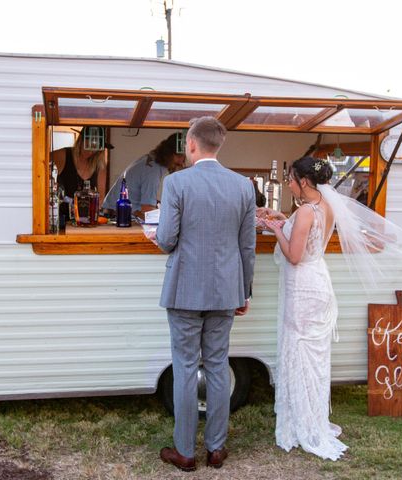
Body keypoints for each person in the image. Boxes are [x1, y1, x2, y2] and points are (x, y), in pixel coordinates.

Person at [261, 156, 402, 461]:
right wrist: (281, 218)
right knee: (313, 358)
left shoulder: (305, 211)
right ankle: (310, 417)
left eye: (291, 178)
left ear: (304, 181)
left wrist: (273, 228)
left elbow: (293, 255)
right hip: (318, 282)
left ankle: (302, 423)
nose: (289, 183)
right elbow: (305, 233)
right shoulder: (325, 206)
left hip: (303, 287)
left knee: (299, 353)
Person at [155, 116, 256, 472]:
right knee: (216, 366)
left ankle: (184, 451)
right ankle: (216, 448)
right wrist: (245, 291)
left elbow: (167, 239)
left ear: (191, 143)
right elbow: (247, 245)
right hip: (225, 291)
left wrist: (154, 236)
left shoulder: (176, 183)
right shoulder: (243, 186)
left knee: (184, 368)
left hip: (184, 290)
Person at [101, 134, 185, 218]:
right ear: (169, 154)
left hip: (113, 211)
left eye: (184, 157)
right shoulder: (152, 171)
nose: (181, 162)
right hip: (118, 216)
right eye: (179, 156)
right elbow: (147, 211)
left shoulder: (150, 160)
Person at [52, 127, 109, 202]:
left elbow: (101, 198)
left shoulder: (100, 166)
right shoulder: (62, 155)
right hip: (62, 212)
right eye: (87, 145)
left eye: (94, 147)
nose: (90, 151)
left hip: (90, 213)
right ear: (81, 140)